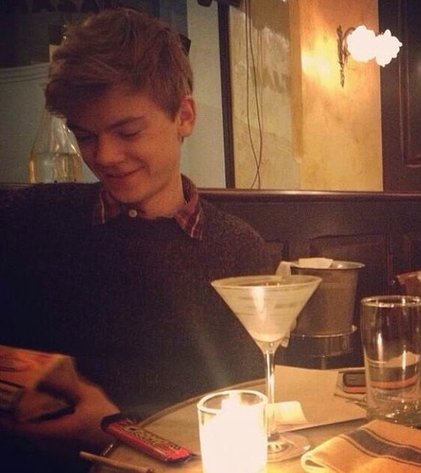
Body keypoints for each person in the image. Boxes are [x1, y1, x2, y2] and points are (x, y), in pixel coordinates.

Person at [0, 7, 273, 472]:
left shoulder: (239, 250)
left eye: (127, 132)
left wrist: (108, 428)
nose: (104, 156)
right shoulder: (32, 219)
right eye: (85, 136)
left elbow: (249, 411)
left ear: (184, 116)